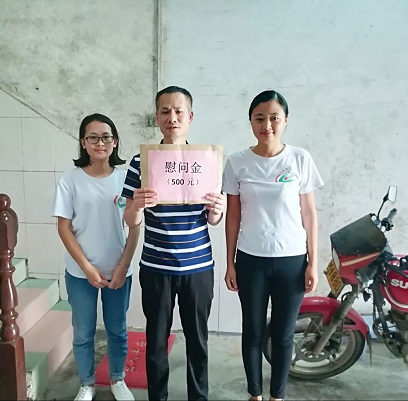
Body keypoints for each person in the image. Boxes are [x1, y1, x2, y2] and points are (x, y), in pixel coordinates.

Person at [122, 86, 226, 401]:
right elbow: (130, 219)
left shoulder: (205, 161)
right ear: (157, 117)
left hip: (198, 267)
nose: (172, 117)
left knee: (198, 341)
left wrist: (218, 210)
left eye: (179, 111)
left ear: (190, 117)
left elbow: (212, 220)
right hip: (156, 267)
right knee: (155, 342)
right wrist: (137, 205)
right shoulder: (141, 162)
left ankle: (199, 397)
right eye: (165, 111)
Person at [222, 90, 324, 401]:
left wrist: (313, 262)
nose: (267, 125)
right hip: (251, 260)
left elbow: (309, 214)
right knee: (253, 332)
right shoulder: (237, 162)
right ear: (251, 122)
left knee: (282, 335)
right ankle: (255, 394)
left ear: (285, 121)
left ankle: (277, 396)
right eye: (260, 118)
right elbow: (233, 216)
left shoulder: (300, 159)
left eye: (274, 118)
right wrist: (230, 263)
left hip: (292, 262)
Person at [52, 113, 140, 401]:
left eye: (106, 137)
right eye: (93, 137)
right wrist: (87, 267)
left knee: (118, 330)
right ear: (83, 142)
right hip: (81, 273)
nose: (100, 143)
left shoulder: (126, 179)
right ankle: (87, 384)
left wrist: (123, 265)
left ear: (115, 141)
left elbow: (135, 226)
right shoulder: (71, 179)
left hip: (118, 272)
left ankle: (117, 379)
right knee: (83, 332)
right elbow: (63, 227)